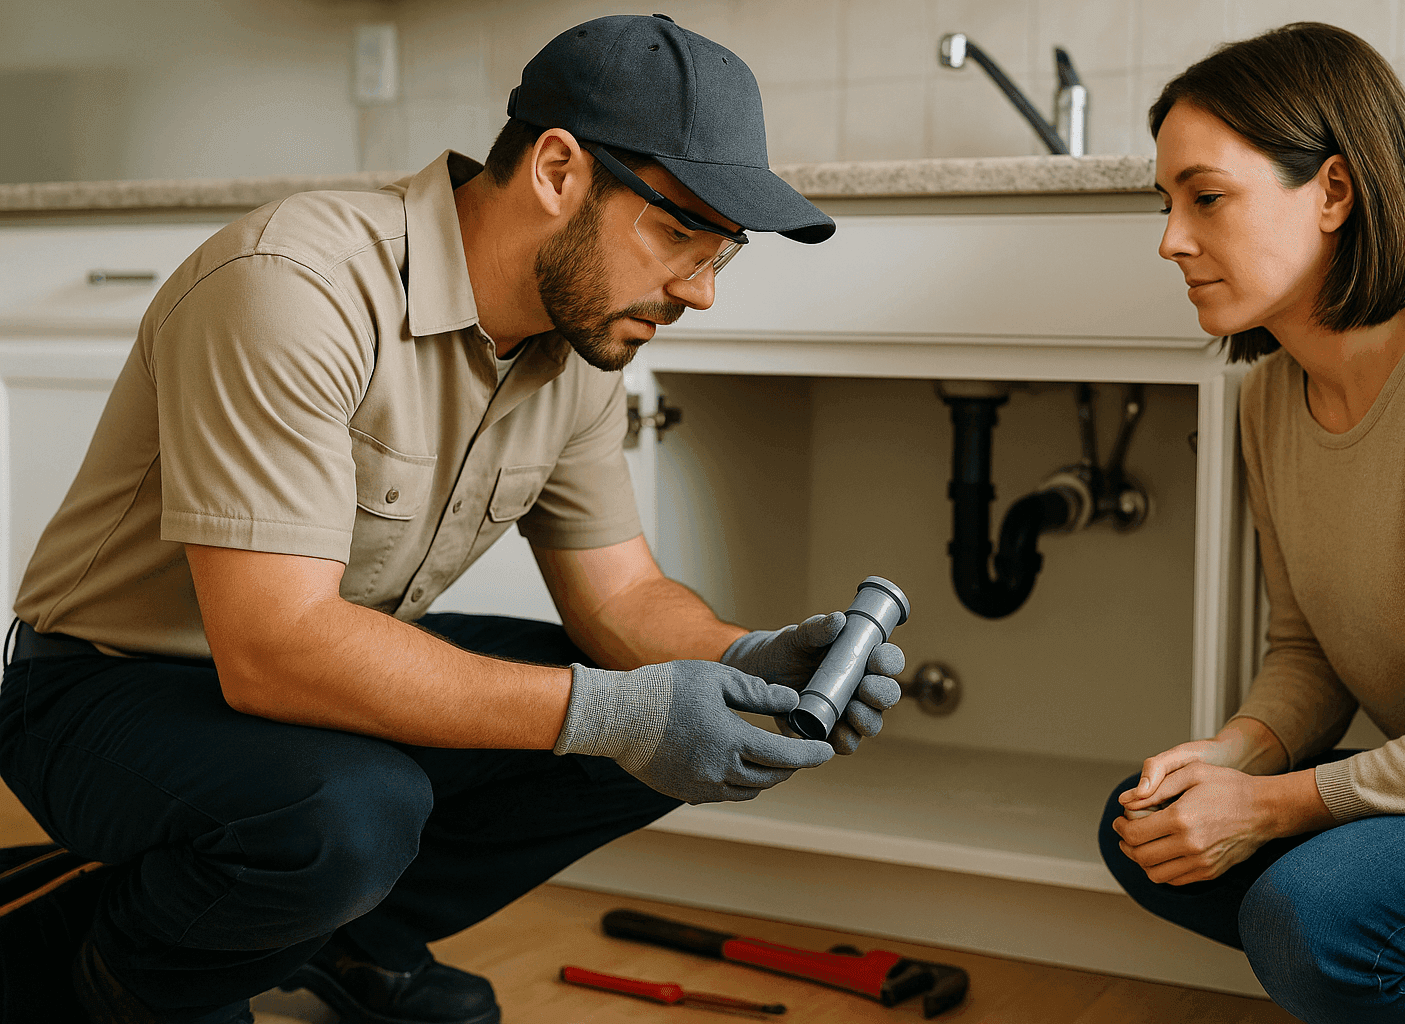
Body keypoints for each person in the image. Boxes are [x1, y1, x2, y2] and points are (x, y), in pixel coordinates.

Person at [0, 15, 905, 1024]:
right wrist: (617, 714)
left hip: (311, 679)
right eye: (679, 232)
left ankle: (332, 933)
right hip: (104, 687)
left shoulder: (576, 349)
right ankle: (116, 965)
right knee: (358, 810)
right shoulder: (296, 286)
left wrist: (744, 658)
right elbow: (275, 648)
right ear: (558, 170)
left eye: (720, 255)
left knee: (665, 721)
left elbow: (624, 596)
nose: (698, 289)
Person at [1097, 22, 1405, 1024]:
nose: (1171, 238)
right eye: (1166, 203)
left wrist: (1266, 807)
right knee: (1147, 827)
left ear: (1334, 190)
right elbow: (1310, 650)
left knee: (1313, 913)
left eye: (1205, 196)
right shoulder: (1269, 399)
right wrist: (1237, 755)